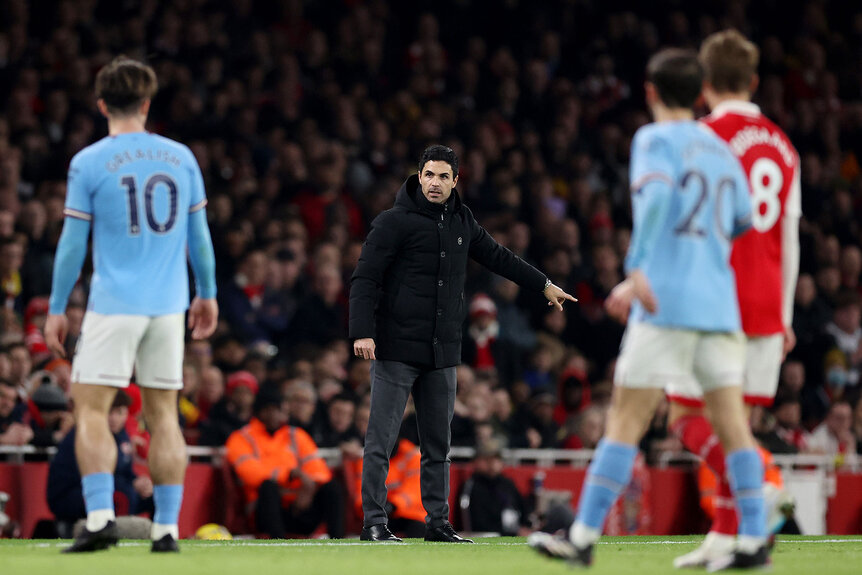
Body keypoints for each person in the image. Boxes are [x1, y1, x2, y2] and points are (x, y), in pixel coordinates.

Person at [528, 49, 768, 570]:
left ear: (650, 91)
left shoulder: (653, 138)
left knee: (626, 420)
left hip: (666, 304)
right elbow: (745, 219)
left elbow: (656, 196)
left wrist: (637, 269)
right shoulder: (723, 149)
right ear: (701, 91)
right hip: (720, 308)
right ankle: (752, 540)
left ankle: (584, 536)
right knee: (733, 427)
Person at [350, 144, 576, 543]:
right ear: (419, 177)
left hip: (441, 352)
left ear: (456, 181)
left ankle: (437, 523)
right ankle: (374, 522)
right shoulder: (392, 222)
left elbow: (498, 257)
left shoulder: (462, 221)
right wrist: (362, 331)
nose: (435, 183)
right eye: (429, 175)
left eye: (443, 176)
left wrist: (542, 284)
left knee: (439, 445)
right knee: (381, 440)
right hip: (396, 348)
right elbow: (365, 278)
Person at [43, 56, 218, 553]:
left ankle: (99, 518)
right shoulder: (181, 157)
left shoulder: (89, 161)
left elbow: (73, 245)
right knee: (164, 416)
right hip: (167, 307)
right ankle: (165, 527)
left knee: (91, 410)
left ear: (101, 104)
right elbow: (199, 238)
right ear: (146, 103)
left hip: (113, 304)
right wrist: (206, 295)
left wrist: (57, 307)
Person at [663, 30, 802, 568]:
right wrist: (784, 316)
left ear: (703, 84)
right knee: (732, 419)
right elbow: (787, 238)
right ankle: (726, 537)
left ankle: (758, 483)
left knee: (683, 415)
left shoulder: (698, 137)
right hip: (766, 304)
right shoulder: (784, 145)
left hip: (711, 302)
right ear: (754, 81)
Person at [225, 385, 345, 539]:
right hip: (263, 510)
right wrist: (290, 474)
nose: (274, 414)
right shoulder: (241, 437)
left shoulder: (296, 435)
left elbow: (319, 468)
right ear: (258, 411)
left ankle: (338, 540)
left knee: (331, 487)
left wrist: (310, 486)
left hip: (299, 505)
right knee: (269, 487)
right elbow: (251, 473)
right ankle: (277, 541)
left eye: (278, 409)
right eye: (268, 409)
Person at [47, 391, 154, 529]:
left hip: (109, 488)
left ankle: (158, 535)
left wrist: (138, 482)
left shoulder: (122, 436)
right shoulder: (84, 434)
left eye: (119, 412)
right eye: (110, 412)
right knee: (123, 494)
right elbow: (93, 475)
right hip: (71, 494)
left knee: (156, 496)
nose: (114, 418)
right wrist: (131, 485)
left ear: (126, 414)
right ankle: (114, 536)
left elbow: (125, 471)